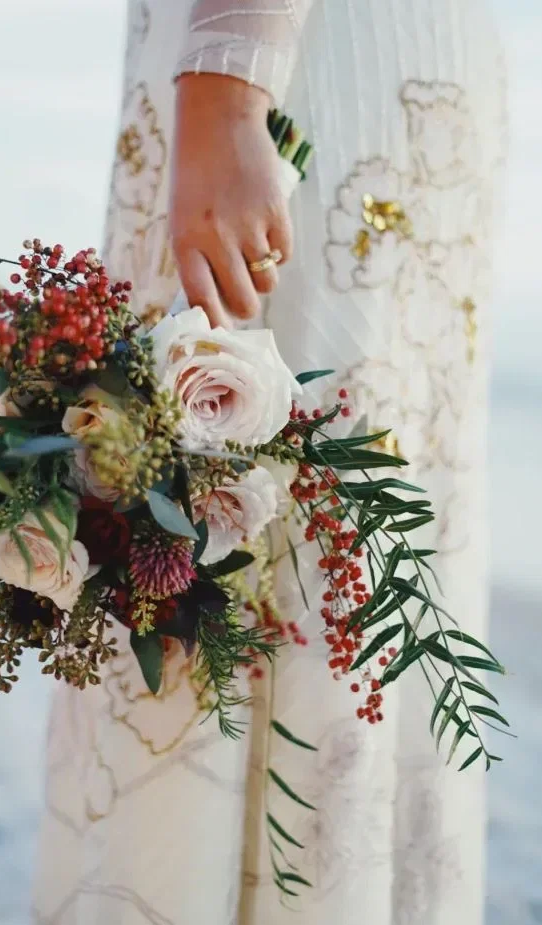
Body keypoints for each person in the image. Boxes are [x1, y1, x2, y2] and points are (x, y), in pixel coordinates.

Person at [33, 2, 506, 923]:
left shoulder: (237, 79)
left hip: (299, 64)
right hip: (368, 64)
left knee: (258, 503)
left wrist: (229, 76)